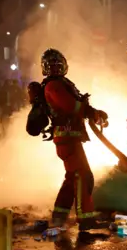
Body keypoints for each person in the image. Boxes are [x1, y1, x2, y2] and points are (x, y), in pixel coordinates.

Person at [37, 48, 108, 231]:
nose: (55, 69)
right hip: (66, 137)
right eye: (51, 66)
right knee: (82, 176)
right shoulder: (54, 86)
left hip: (70, 136)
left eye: (57, 65)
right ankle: (86, 219)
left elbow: (76, 104)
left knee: (72, 177)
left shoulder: (61, 83)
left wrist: (93, 113)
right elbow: (71, 106)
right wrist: (92, 113)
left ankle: (59, 215)